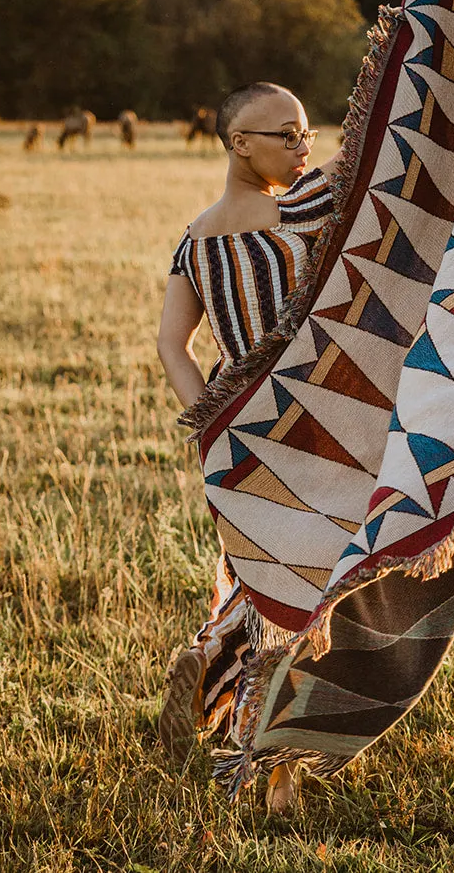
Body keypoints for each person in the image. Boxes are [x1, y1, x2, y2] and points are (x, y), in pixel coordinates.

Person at [155, 82, 338, 814]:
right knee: (306, 600)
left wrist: (209, 422)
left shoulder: (194, 237)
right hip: (318, 422)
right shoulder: (305, 209)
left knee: (255, 576)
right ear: (240, 143)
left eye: (306, 134)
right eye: (285, 135)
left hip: (235, 432)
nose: (303, 148)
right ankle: (280, 775)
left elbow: (172, 344)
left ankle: (207, 659)